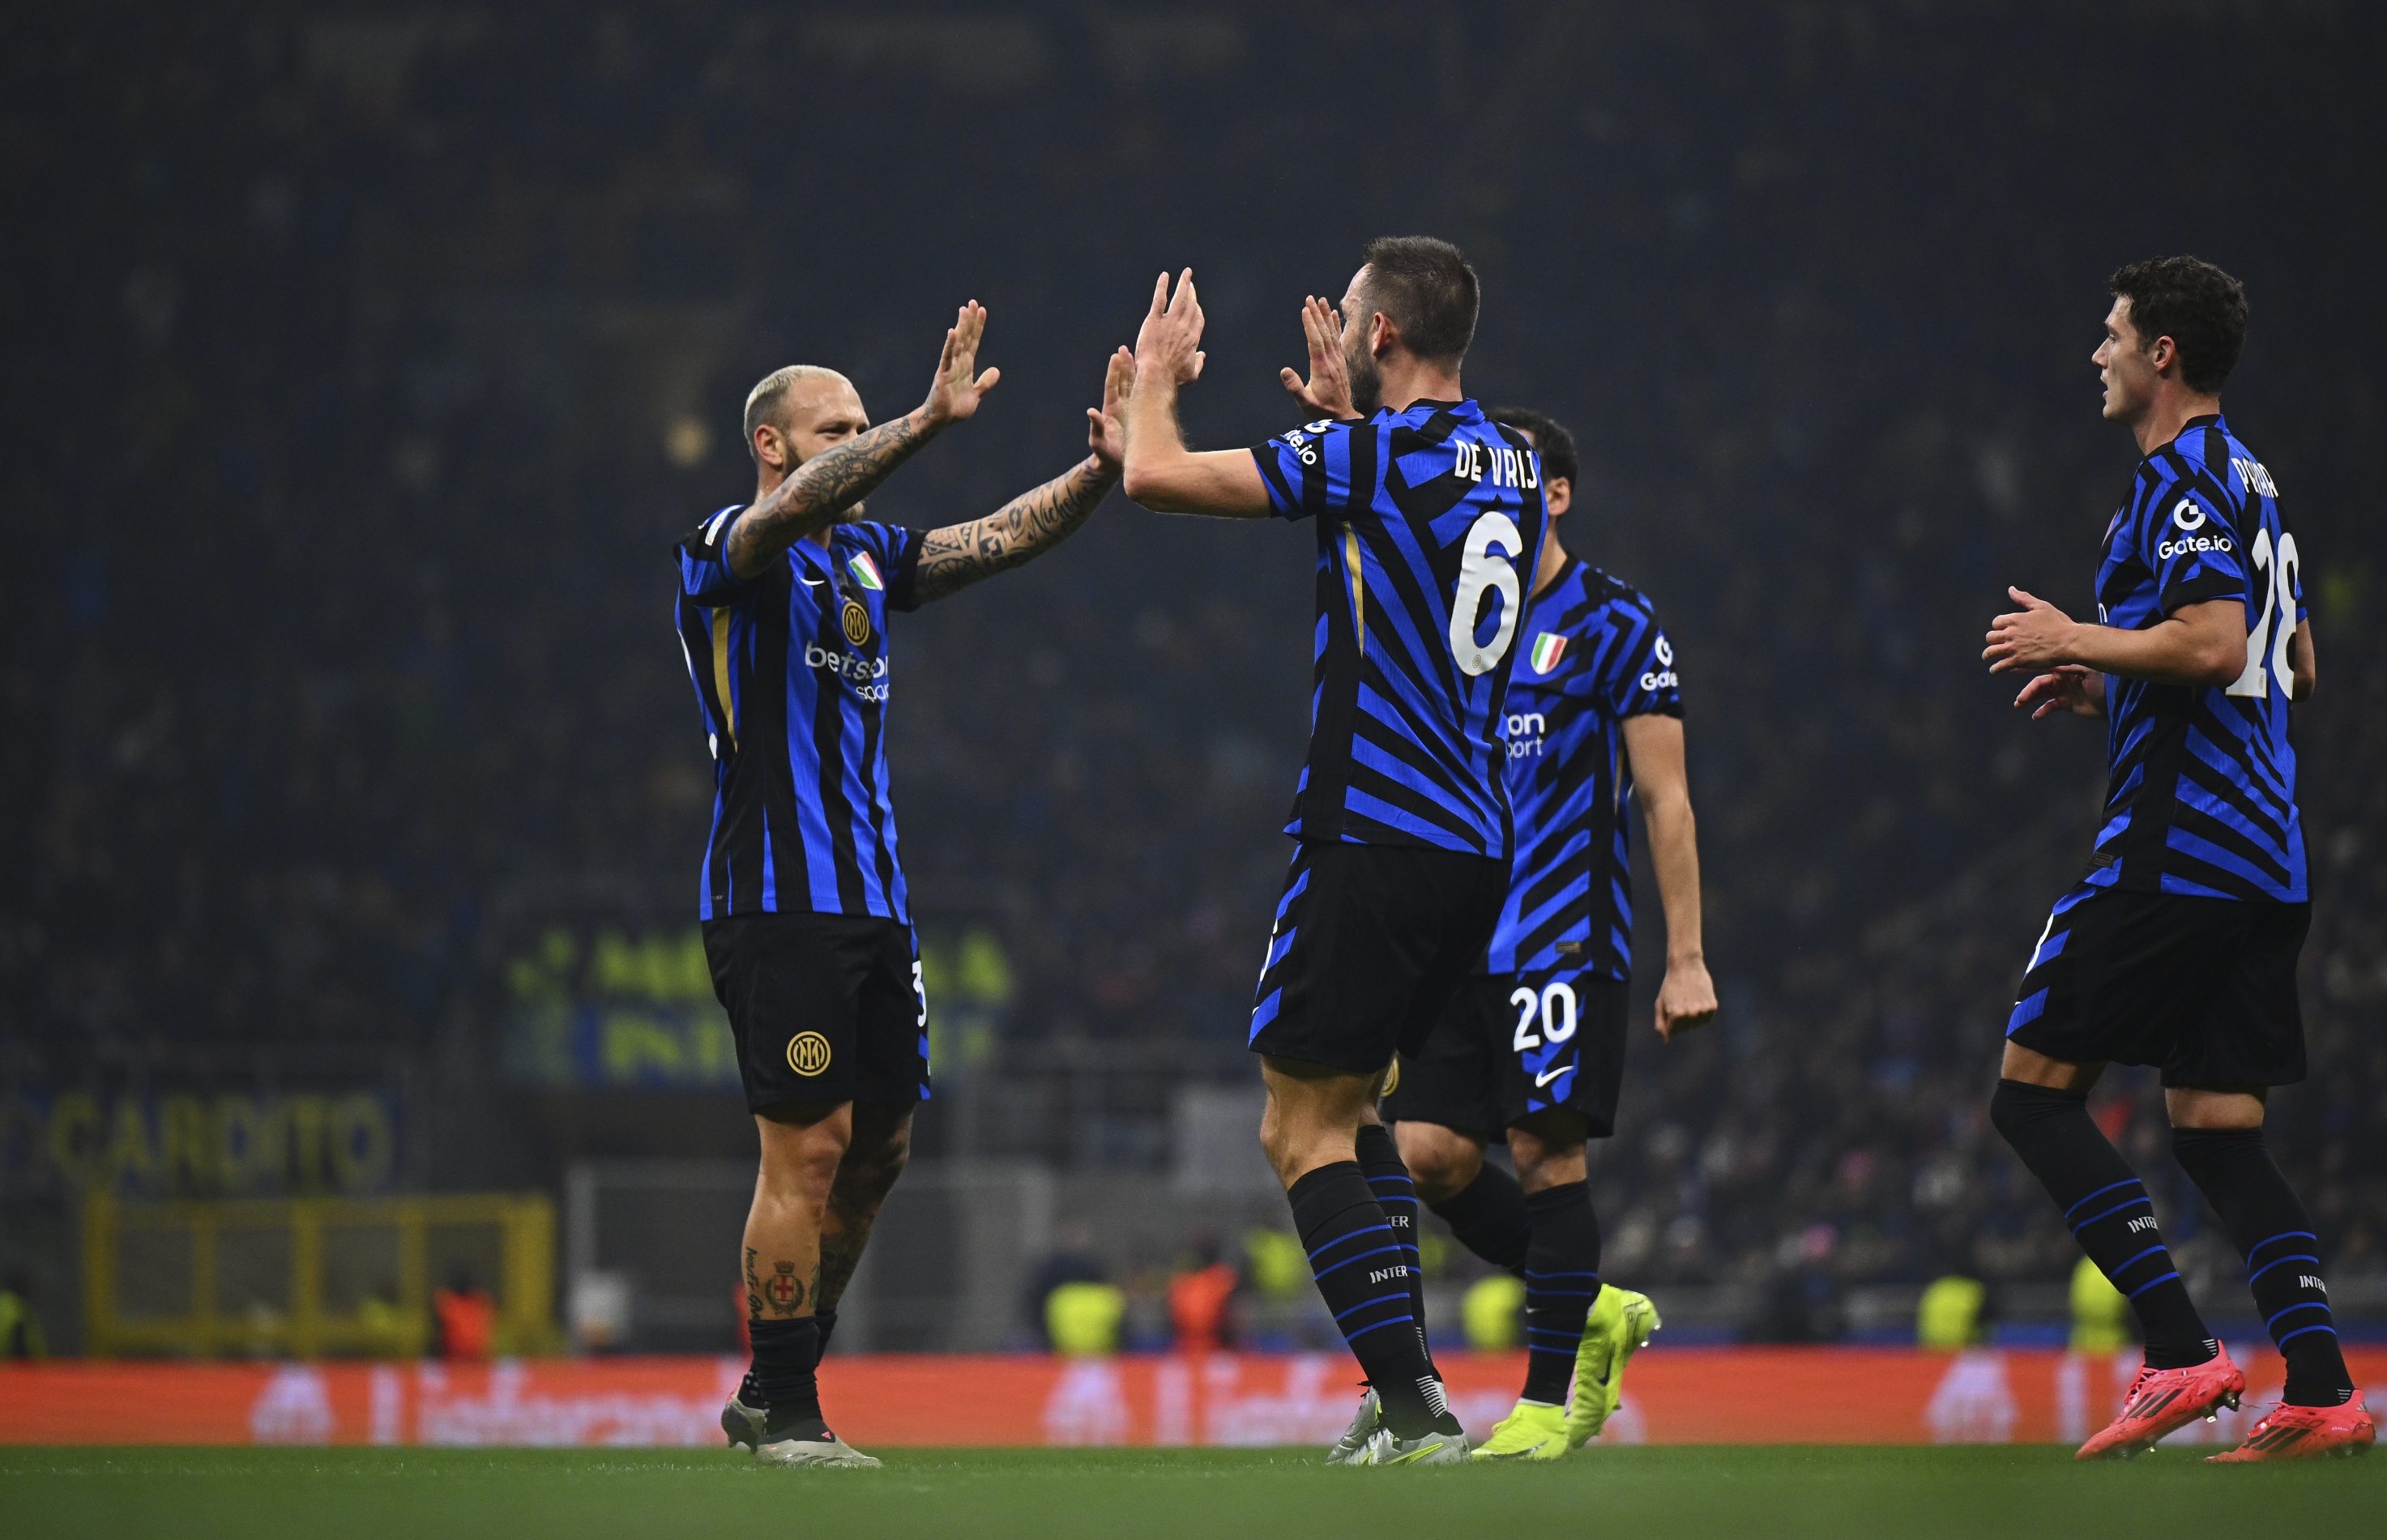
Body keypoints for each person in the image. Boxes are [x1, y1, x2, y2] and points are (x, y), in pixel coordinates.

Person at [1121, 237, 1547, 1465]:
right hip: (1474, 840)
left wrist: (1159, 376)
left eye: (1356, 317)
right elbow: (1405, 527)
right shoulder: (1512, 463)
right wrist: (1345, 422)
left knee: (1298, 1130)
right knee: (1361, 1117)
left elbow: (1152, 477)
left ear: (1385, 339)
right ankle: (1399, 1390)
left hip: (1373, 825)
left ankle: (1414, 1411)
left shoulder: (1368, 456)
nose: (1346, 327)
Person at [681, 303, 1129, 1466]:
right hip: (779, 900)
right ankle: (785, 1409)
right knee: (810, 1149)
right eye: (837, 427)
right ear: (773, 444)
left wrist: (1098, 470)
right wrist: (929, 419)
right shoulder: (726, 546)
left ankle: (773, 1385)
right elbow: (793, 512)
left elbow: (994, 538)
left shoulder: (870, 560)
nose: (860, 439)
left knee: (879, 1151)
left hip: (876, 901)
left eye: (866, 423)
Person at [1982, 255, 2372, 1462]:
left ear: (2162, 355)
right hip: (2267, 864)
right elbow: (2289, 665)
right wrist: (2108, 689)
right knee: (2214, 1132)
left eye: (2111, 335)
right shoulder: (2257, 482)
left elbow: (2210, 647)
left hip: (2176, 856)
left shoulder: (2184, 481)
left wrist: (2072, 633)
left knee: (2028, 1093)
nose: (2096, 353)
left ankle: (2181, 1353)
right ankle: (2321, 1390)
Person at [1385, 406, 1715, 1459]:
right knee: (1426, 1153)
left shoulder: (1616, 621)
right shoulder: (1455, 625)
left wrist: (1687, 957)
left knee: (1543, 1151)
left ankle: (1542, 1401)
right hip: (1457, 947)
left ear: (1555, 494)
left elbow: (1664, 798)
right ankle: (1597, 1303)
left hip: (1562, 936)